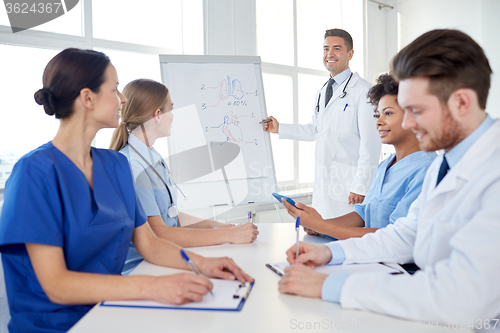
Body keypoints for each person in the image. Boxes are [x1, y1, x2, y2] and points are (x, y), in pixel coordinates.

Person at [0, 48, 253, 333]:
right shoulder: (34, 173)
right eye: (115, 88)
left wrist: (205, 265)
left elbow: (150, 244)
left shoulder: (115, 165)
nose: (122, 99)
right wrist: (154, 286)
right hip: (54, 325)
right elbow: (56, 284)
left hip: (111, 309)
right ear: (87, 98)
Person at [278, 29, 500, 326]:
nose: (406, 123)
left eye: (415, 110)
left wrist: (330, 286)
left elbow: (461, 296)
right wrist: (329, 253)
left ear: (461, 102)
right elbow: (406, 235)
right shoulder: (445, 163)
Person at [109, 79, 259, 272]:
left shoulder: (150, 155)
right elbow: (158, 233)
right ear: (157, 115)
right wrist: (229, 236)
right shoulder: (134, 165)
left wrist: (218, 227)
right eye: (171, 109)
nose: (173, 116)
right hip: (142, 267)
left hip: (160, 259)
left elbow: (170, 214)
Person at [283, 74, 436, 240]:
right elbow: (362, 215)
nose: (378, 122)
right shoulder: (385, 166)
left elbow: (397, 236)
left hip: (397, 263)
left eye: (388, 114)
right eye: (378, 115)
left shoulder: (427, 170)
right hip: (368, 255)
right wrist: (318, 226)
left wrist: (323, 226)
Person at [264, 28, 381, 219]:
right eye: (326, 49)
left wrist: (361, 185)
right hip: (325, 184)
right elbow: (315, 130)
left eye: (337, 49)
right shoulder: (322, 92)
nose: (330, 54)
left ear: (350, 54)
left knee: (345, 238)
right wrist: (280, 129)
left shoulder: (364, 92)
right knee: (322, 234)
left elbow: (371, 145)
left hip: (350, 188)